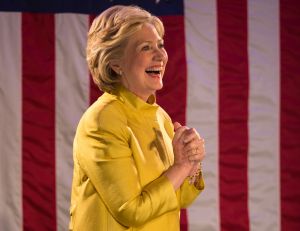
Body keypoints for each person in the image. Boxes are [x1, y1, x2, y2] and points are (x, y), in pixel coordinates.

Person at [69, 5, 205, 231]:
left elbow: (179, 198)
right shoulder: (102, 120)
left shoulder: (160, 118)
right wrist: (180, 166)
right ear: (116, 64)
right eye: (146, 47)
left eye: (160, 45)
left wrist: (192, 163)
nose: (160, 55)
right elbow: (131, 210)